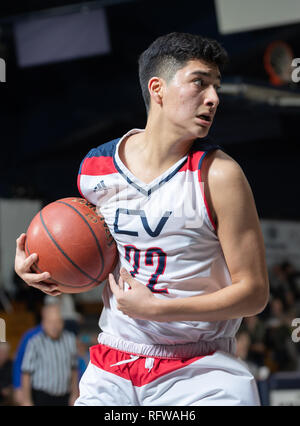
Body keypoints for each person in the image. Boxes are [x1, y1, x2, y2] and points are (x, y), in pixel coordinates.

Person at [15, 32, 269, 406]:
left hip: (199, 366)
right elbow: (99, 256)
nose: (213, 98)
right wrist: (43, 270)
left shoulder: (219, 176)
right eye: (199, 82)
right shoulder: (95, 170)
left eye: (216, 87)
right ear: (158, 89)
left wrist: (161, 308)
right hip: (115, 359)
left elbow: (254, 294)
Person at [20, 304, 79, 406]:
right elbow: (26, 373)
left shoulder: (70, 340)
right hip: (41, 396)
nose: (54, 326)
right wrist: (26, 400)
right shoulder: (34, 342)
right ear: (43, 323)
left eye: (57, 321)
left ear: (62, 322)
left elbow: (73, 369)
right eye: (50, 322)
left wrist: (74, 394)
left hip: (64, 396)